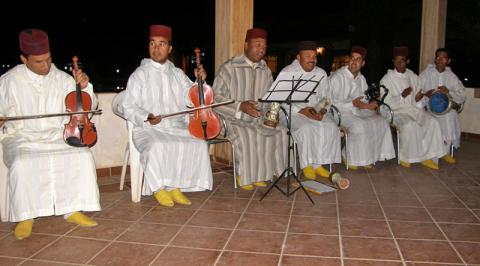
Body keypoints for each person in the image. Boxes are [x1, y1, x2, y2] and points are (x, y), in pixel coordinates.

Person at [0, 28, 100, 240]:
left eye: (48, 59)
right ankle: (25, 215)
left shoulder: (63, 78)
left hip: (57, 136)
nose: (46, 66)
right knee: (22, 162)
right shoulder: (9, 80)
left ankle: (73, 209)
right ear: (23, 59)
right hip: (22, 138)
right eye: (38, 62)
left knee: (81, 155)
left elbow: (87, 108)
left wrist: (85, 86)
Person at [122, 25, 212, 207]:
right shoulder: (139, 75)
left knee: (199, 143)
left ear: (170, 49)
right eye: (152, 44)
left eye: (162, 44)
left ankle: (176, 185)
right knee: (156, 145)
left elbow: (192, 98)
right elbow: (128, 106)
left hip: (176, 126)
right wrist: (147, 116)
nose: (156, 48)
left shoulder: (178, 74)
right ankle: (160, 188)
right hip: (148, 128)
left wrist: (199, 81)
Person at [212, 28, 287, 190]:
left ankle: (262, 174)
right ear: (246, 45)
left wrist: (271, 113)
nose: (261, 49)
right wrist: (240, 105)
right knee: (248, 134)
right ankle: (244, 175)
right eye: (257, 44)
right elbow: (215, 97)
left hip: (258, 117)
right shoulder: (229, 68)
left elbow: (269, 98)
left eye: (264, 46)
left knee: (279, 131)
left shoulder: (265, 70)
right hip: (233, 118)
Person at [278, 41, 341, 179]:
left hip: (315, 112)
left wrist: (321, 111)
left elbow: (327, 97)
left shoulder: (321, 73)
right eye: (307, 56)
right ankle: (307, 165)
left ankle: (318, 164)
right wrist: (302, 111)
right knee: (306, 128)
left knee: (331, 127)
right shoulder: (287, 72)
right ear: (298, 58)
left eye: (314, 56)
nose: (312, 59)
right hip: (292, 113)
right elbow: (280, 100)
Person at [329, 46, 395, 169]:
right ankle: (349, 157)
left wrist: (370, 105)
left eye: (358, 59)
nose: (354, 62)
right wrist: (353, 104)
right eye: (352, 58)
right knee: (360, 125)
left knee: (381, 121)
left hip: (357, 110)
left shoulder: (361, 78)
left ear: (363, 63)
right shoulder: (337, 77)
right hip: (341, 113)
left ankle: (367, 157)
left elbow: (363, 99)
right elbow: (332, 103)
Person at [380, 46, 445, 169]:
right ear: (393, 61)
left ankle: (429, 156)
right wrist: (401, 96)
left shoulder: (413, 76)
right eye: (397, 60)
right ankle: (408, 157)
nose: (400, 62)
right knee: (410, 125)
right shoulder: (386, 79)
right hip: (396, 111)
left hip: (413, 109)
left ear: (407, 61)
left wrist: (422, 95)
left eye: (403, 60)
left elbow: (416, 99)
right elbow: (385, 103)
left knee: (432, 122)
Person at [419, 48, 466, 164]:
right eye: (438, 57)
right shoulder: (426, 74)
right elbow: (417, 90)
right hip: (430, 108)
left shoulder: (451, 77)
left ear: (448, 61)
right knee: (432, 122)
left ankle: (445, 152)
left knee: (450, 117)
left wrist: (448, 91)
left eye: (444, 58)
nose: (440, 60)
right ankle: (432, 156)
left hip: (446, 109)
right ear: (435, 59)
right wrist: (426, 94)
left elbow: (462, 95)